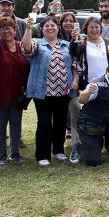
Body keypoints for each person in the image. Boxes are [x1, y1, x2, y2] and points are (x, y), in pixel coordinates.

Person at [23, 14, 75, 166]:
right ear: (42, 29)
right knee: (44, 122)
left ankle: (58, 150)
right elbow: (26, 48)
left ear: (58, 28)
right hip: (43, 91)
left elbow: (74, 64)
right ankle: (42, 155)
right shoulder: (37, 43)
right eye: (47, 26)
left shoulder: (66, 44)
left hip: (63, 91)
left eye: (53, 25)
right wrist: (27, 28)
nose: (50, 28)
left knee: (60, 122)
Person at [68, 16, 109, 163]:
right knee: (87, 116)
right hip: (90, 85)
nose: (94, 30)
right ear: (86, 29)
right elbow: (75, 61)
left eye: (97, 27)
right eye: (91, 27)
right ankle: (81, 144)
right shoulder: (81, 44)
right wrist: (76, 81)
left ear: (101, 28)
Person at [0, 17, 29, 165]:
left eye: (9, 28)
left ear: (15, 30)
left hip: (17, 93)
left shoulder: (21, 46)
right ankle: (2, 155)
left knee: (16, 124)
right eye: (3, 28)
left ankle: (15, 153)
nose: (6, 31)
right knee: (0, 124)